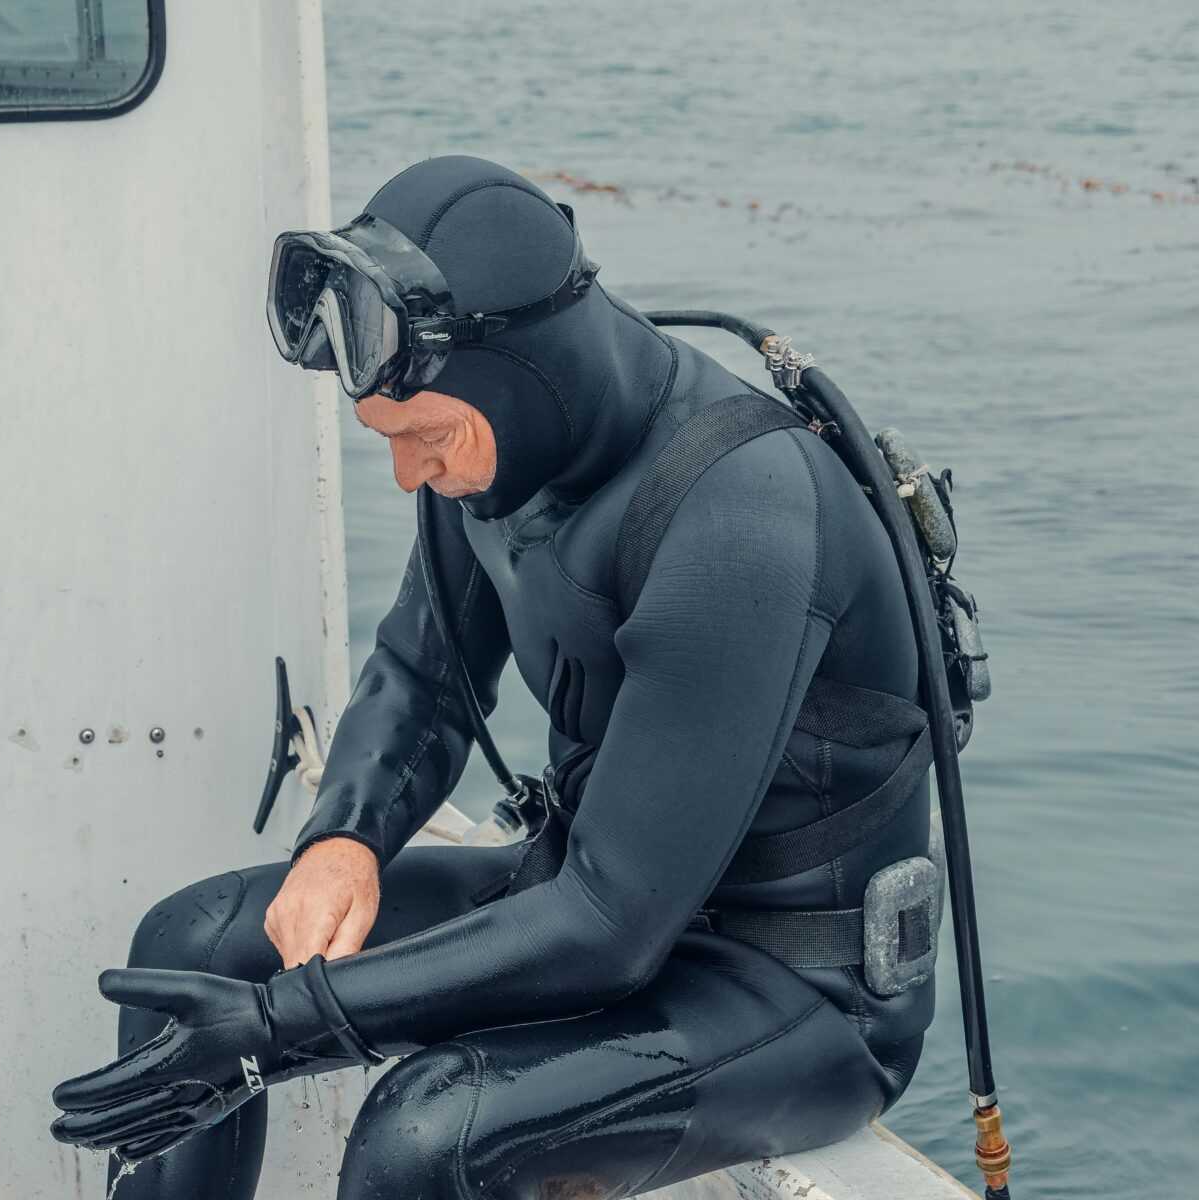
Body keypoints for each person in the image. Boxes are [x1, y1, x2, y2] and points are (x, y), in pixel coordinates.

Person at [50, 155, 937, 1200]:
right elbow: (422, 678)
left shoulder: (743, 514)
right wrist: (342, 838)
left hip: (791, 993)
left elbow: (609, 932)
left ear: (523, 375)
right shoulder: (500, 448)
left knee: (426, 1133)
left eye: (425, 438)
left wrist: (273, 1032)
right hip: (585, 894)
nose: (406, 473)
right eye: (387, 440)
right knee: (193, 950)